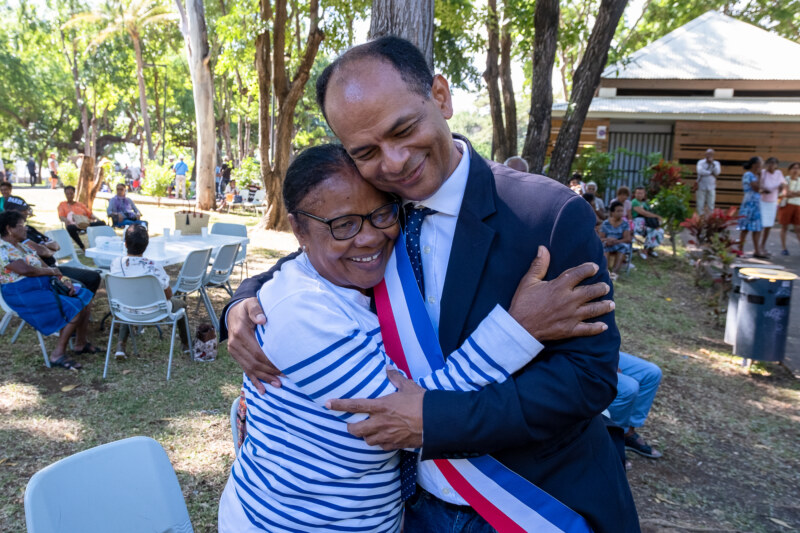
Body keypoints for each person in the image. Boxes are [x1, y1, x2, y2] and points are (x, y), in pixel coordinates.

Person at [222, 36, 637, 532]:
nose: (394, 161)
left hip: (522, 500)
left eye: (404, 129)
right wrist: (242, 302)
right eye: (366, 151)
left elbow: (589, 379)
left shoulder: (546, 215)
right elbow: (314, 257)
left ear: (440, 96)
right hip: (410, 508)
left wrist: (434, 419)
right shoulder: (379, 210)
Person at [0, 210, 94, 370]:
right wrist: (52, 272)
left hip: (41, 285)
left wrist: (64, 280)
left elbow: (46, 267)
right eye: (22, 225)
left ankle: (80, 343)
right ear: (9, 229)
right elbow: (26, 270)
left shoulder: (23, 247)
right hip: (21, 293)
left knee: (85, 299)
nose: (26, 228)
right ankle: (57, 354)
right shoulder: (2, 248)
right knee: (74, 309)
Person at [109, 224, 190, 359]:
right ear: (146, 245)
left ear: (125, 244)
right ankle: (186, 345)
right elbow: (168, 295)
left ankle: (120, 346)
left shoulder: (116, 264)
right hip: (155, 312)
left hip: (124, 311)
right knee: (182, 304)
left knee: (129, 301)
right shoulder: (154, 267)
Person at [607, 352, 663, 461]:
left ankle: (627, 433)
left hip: (604, 351)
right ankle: (612, 438)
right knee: (628, 388)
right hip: (578, 356)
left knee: (652, 373)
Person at [57, 185, 106, 251]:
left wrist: (98, 219)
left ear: (74, 194)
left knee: (102, 223)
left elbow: (90, 214)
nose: (69, 196)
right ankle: (82, 247)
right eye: (67, 194)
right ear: (65, 194)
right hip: (74, 226)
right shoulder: (62, 205)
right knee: (70, 228)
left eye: (71, 193)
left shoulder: (80, 204)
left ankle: (101, 244)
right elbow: (61, 216)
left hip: (86, 224)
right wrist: (66, 220)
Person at [737, 157, 765, 258]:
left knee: (757, 228)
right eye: (760, 163)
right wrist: (760, 177)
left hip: (757, 204)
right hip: (749, 203)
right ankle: (740, 250)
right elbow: (756, 188)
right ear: (754, 164)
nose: (762, 166)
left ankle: (757, 251)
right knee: (745, 228)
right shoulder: (748, 175)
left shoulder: (756, 176)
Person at [600, 201, 632, 280]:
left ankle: (615, 272)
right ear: (612, 212)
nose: (621, 213)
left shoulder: (625, 224)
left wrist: (616, 241)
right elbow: (600, 238)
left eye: (622, 211)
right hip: (608, 243)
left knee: (622, 247)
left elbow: (627, 239)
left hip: (619, 242)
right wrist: (608, 240)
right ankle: (606, 271)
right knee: (604, 246)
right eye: (618, 211)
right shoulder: (605, 223)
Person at [759, 157, 784, 255]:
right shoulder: (763, 172)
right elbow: (759, 186)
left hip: (773, 202)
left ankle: (763, 245)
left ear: (777, 165)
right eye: (770, 163)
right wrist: (764, 190)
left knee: (768, 225)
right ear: (766, 164)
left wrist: (781, 188)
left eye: (774, 163)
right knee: (760, 224)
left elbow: (782, 186)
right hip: (762, 201)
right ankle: (757, 246)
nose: (771, 165)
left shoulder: (779, 173)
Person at [631, 186, 664, 258]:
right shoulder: (634, 202)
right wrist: (657, 216)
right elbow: (644, 213)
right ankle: (643, 250)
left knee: (659, 232)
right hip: (637, 223)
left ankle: (650, 249)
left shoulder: (644, 203)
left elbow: (649, 212)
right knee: (649, 231)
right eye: (638, 193)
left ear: (644, 194)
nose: (639, 195)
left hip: (647, 223)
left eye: (641, 193)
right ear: (635, 194)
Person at [778, 162, 800, 255]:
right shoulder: (785, 179)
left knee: (798, 228)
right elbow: (785, 194)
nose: (796, 170)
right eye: (793, 168)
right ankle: (784, 248)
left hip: (798, 205)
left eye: (798, 168)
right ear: (789, 170)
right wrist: (796, 193)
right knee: (784, 227)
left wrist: (791, 193)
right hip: (786, 205)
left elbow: (790, 193)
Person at [696, 148, 720, 214]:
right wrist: (710, 173)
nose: (709, 155)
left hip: (711, 186)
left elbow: (717, 172)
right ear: (705, 154)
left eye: (711, 154)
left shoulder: (716, 163)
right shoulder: (700, 162)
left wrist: (712, 163)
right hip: (701, 186)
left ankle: (710, 218)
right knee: (700, 204)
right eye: (708, 154)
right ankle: (700, 217)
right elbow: (700, 171)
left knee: (711, 204)